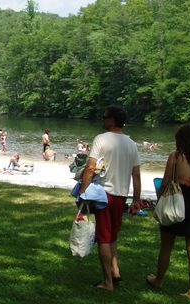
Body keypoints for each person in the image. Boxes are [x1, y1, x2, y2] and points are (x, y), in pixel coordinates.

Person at [78, 105, 141, 291]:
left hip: (103, 194)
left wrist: (82, 191)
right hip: (121, 196)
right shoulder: (131, 143)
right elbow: (136, 174)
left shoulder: (101, 139)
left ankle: (107, 282)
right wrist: (136, 199)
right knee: (113, 235)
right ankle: (115, 271)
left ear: (112, 120)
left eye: (104, 116)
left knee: (104, 238)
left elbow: (90, 168)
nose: (102, 120)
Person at [146, 124, 190, 301]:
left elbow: (166, 182)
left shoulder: (176, 156)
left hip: (175, 201)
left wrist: (160, 201)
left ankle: (158, 280)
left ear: (181, 139)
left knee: (166, 245)